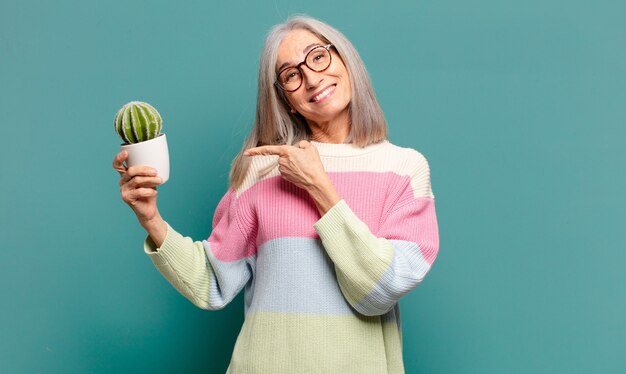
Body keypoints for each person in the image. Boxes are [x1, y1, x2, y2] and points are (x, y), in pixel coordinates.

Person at [113, 15, 439, 374]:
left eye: (318, 57)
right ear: (285, 99)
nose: (312, 79)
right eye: (291, 75)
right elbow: (210, 282)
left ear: (346, 60)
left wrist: (319, 187)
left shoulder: (404, 169)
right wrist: (150, 217)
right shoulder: (262, 169)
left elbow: (380, 291)